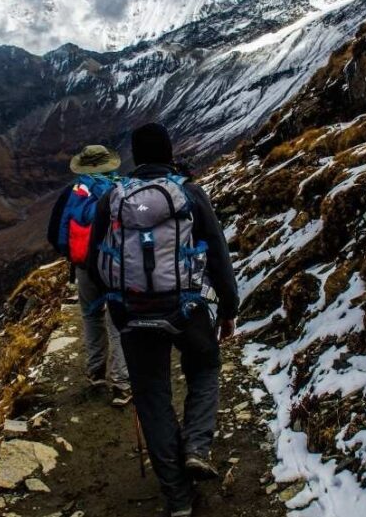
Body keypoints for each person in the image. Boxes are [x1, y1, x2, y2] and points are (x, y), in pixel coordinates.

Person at [87, 123, 238, 517]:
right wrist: (228, 308)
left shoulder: (113, 199)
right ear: (170, 153)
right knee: (205, 368)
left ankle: (178, 500)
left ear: (135, 158)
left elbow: (94, 262)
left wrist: (116, 306)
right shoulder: (189, 194)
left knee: (153, 398)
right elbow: (219, 255)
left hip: (134, 315)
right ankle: (197, 448)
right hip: (186, 309)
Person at [47, 144, 132, 407]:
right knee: (118, 319)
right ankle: (122, 384)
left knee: (91, 315)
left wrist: (75, 256)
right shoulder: (123, 189)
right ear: (111, 165)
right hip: (116, 266)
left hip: (85, 267)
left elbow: (54, 233)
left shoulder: (73, 193)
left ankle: (96, 372)